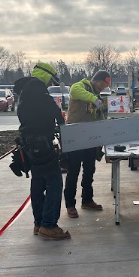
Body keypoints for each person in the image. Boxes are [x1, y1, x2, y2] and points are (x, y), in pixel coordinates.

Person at [14, 62, 71, 240]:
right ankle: (49, 225)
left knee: (38, 183)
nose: (49, 85)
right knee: (54, 182)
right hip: (42, 145)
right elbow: (56, 112)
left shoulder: (24, 91)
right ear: (45, 76)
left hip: (29, 144)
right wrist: (63, 129)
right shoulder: (38, 89)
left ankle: (38, 224)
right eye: (49, 81)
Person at [64, 70, 111, 218]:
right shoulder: (79, 87)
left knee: (89, 169)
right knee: (73, 171)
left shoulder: (97, 96)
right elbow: (76, 91)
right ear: (95, 80)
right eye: (102, 84)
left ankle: (87, 200)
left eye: (105, 86)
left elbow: (100, 118)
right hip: (75, 136)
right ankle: (70, 205)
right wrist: (93, 99)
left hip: (90, 137)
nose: (102, 88)